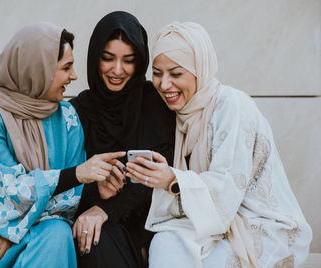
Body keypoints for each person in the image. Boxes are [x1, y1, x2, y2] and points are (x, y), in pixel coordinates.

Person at [0, 22, 125, 268]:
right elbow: (4, 197)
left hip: (38, 231)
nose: (74, 76)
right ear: (38, 69)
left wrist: (14, 233)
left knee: (57, 233)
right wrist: (77, 175)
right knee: (53, 234)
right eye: (66, 67)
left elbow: (68, 201)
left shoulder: (67, 116)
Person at [126, 21, 312, 268]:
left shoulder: (231, 104)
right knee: (165, 243)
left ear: (200, 69)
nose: (164, 84)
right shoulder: (181, 114)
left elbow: (228, 184)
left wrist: (172, 179)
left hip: (261, 226)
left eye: (176, 74)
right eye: (158, 74)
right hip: (205, 225)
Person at [70, 11, 175, 268]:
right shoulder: (78, 111)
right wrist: (97, 192)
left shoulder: (157, 104)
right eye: (107, 59)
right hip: (100, 227)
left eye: (128, 60)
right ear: (95, 58)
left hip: (155, 222)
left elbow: (167, 173)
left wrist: (108, 209)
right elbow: (64, 178)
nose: (117, 70)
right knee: (92, 237)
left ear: (140, 63)